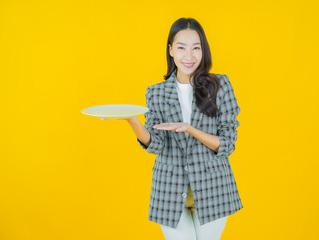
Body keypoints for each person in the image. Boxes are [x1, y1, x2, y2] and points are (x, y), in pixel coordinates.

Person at [104, 17, 243, 240]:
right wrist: (132, 119)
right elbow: (156, 144)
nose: (189, 56)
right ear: (171, 50)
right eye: (181, 48)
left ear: (203, 50)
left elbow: (227, 144)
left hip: (213, 188)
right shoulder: (156, 92)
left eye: (196, 48)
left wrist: (190, 129)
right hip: (169, 189)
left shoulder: (220, 85)